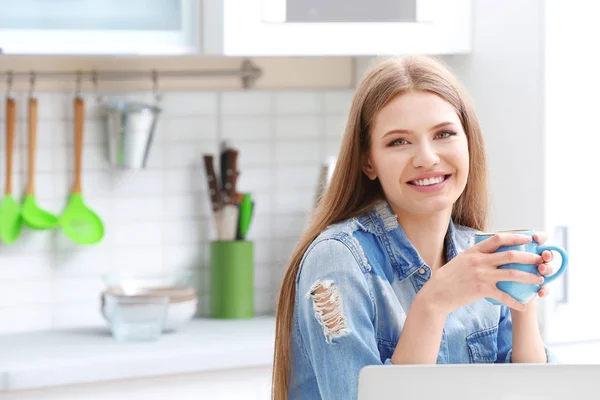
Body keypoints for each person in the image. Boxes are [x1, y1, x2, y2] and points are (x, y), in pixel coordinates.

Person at [271, 55, 557, 400]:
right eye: (399, 142)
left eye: (444, 134)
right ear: (368, 161)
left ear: (469, 143)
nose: (426, 158)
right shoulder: (337, 260)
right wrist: (432, 304)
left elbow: (534, 393)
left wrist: (522, 301)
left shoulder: (480, 259)